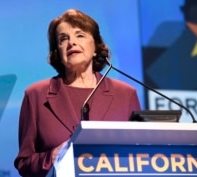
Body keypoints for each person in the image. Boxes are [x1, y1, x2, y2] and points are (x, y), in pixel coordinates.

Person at [14, 9, 141, 177]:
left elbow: (140, 154)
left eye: (80, 35)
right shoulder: (36, 95)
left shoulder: (125, 94)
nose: (71, 42)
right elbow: (24, 164)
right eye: (63, 39)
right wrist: (51, 157)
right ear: (57, 53)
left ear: (96, 47)